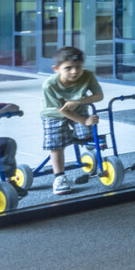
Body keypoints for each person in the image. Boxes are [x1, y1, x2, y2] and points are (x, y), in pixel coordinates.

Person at [41, 45, 102, 195]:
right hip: (54, 115)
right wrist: (83, 121)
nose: (74, 72)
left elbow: (99, 95)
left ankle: (83, 145)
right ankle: (59, 177)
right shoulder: (49, 85)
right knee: (56, 144)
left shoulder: (87, 75)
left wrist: (79, 102)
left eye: (78, 67)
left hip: (78, 109)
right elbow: (61, 110)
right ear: (56, 69)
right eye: (68, 68)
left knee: (87, 135)